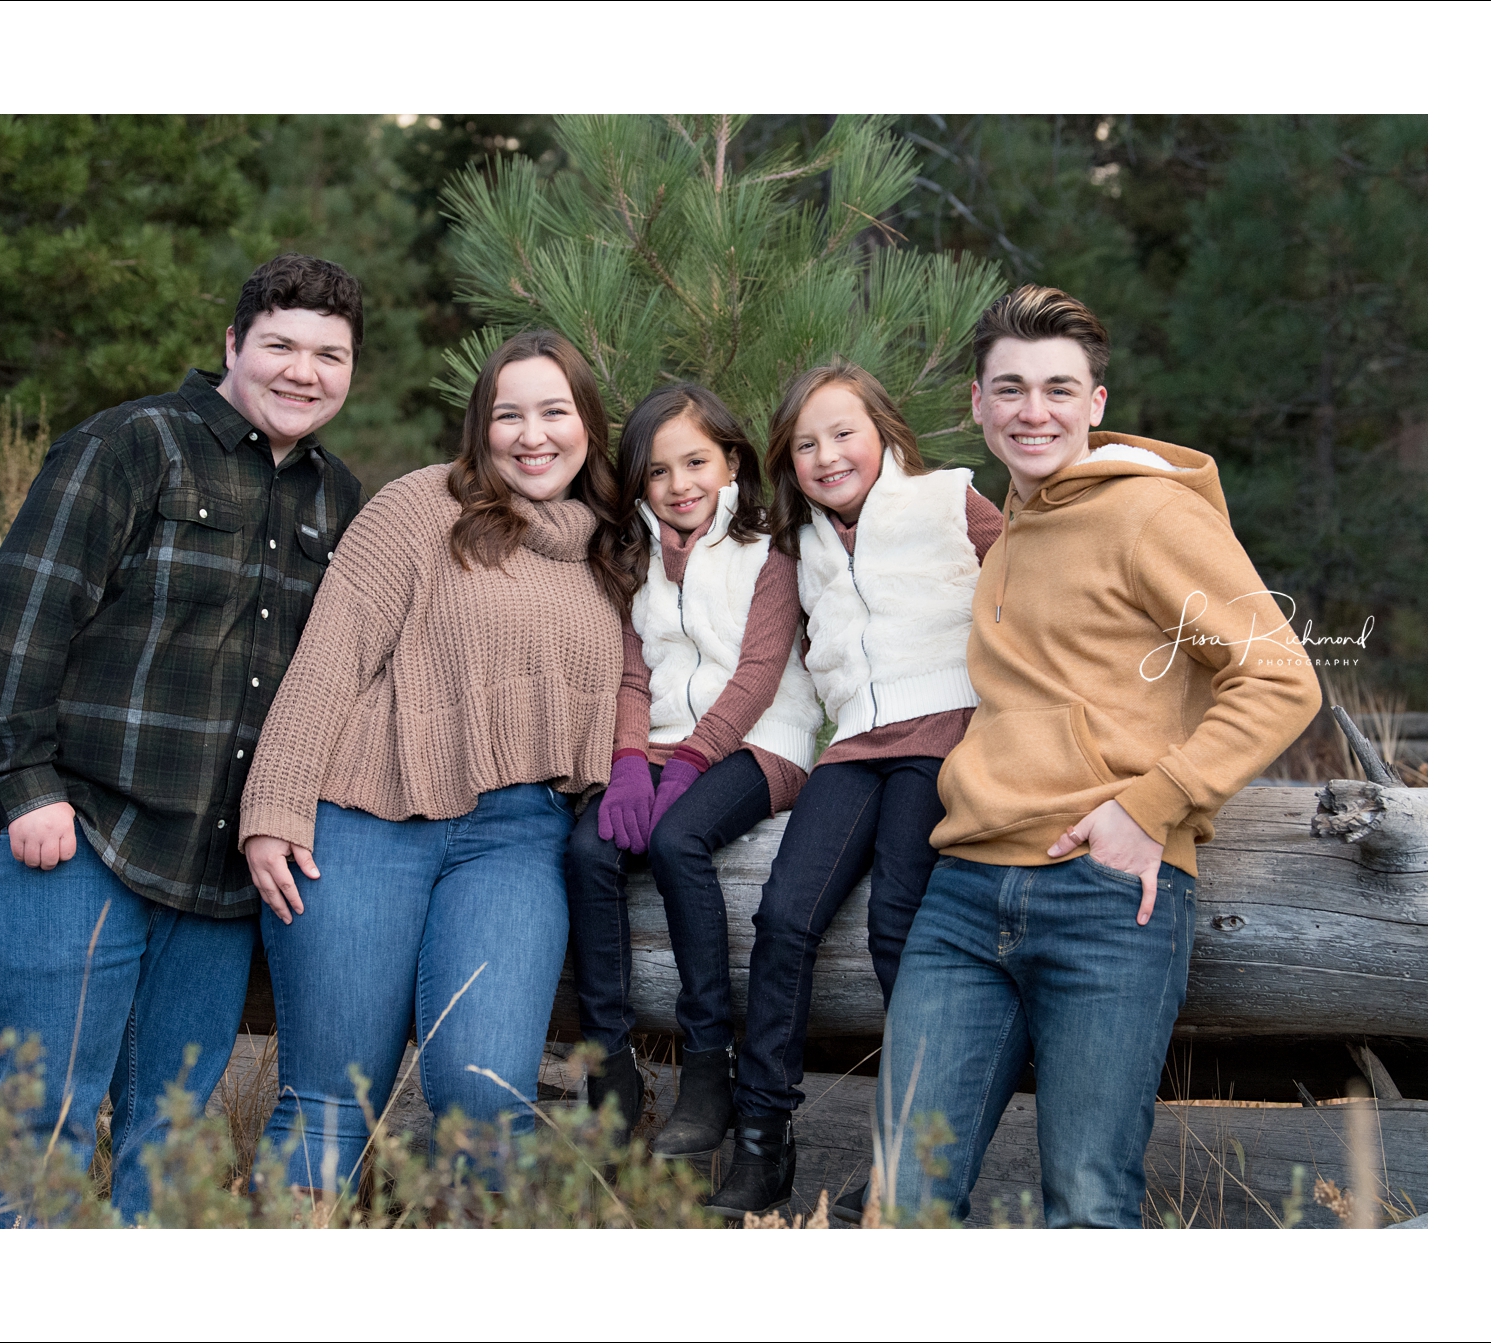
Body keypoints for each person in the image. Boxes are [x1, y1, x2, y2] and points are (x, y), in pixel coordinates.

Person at [876, 285, 1321, 1227]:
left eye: (1058, 389)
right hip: (960, 898)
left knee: (1085, 1203)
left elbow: (1281, 679)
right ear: (978, 403)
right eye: (1011, 388)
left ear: (1097, 404)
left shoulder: (1149, 516)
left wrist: (1153, 803)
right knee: (905, 1199)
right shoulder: (1012, 527)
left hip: (1103, 895)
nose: (1033, 411)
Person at [0, 254, 368, 1223]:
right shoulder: (131, 444)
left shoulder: (337, 498)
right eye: (279, 346)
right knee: (43, 1119)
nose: (303, 372)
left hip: (219, 874)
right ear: (232, 345)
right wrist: (24, 786)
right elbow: (16, 617)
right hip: (85, 832)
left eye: (329, 354)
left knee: (171, 1140)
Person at [237, 330, 631, 1196]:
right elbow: (331, 656)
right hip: (363, 819)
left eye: (555, 412)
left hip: (516, 839)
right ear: (478, 428)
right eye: (508, 414)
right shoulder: (421, 506)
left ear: (589, 426)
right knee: (331, 1100)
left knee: (484, 1098)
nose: (533, 435)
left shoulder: (620, 552)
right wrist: (272, 806)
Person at [706, 361, 1004, 1220]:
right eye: (805, 444)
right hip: (853, 747)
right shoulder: (800, 547)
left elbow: (1028, 591)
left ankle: (912, 1173)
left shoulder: (951, 501)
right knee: (783, 916)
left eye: (844, 433)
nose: (828, 455)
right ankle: (765, 1139)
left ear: (886, 433)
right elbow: (769, 658)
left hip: (943, 729)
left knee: (896, 925)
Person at [563, 383, 819, 1156]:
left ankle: (710, 1064)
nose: (681, 486)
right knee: (585, 850)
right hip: (665, 745)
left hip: (760, 741)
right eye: (659, 471)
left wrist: (688, 770)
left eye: (697, 462)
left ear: (731, 460)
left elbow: (759, 674)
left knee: (677, 841)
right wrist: (629, 762)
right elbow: (634, 677)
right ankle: (609, 1067)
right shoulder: (637, 558)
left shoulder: (768, 549)